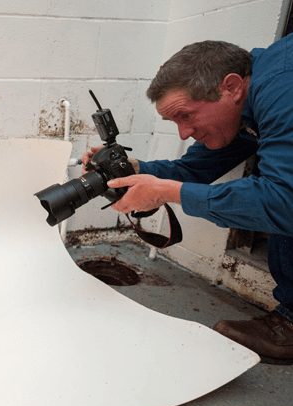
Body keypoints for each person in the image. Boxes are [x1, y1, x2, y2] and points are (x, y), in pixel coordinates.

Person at [82, 34, 293, 363]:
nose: (182, 133)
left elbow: (284, 200)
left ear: (231, 86)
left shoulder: (282, 86)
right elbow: (196, 168)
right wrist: (136, 168)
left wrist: (167, 192)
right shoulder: (245, 101)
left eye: (186, 116)